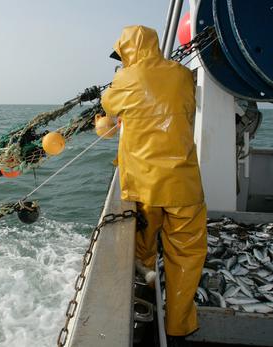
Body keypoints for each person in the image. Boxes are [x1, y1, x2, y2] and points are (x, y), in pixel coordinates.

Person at [101, 25, 208, 340]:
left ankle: (144, 301)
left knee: (144, 248)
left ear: (129, 51)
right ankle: (179, 326)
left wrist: (122, 76)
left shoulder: (125, 78)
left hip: (146, 189)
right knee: (186, 255)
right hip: (184, 187)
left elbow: (107, 105)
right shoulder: (182, 74)